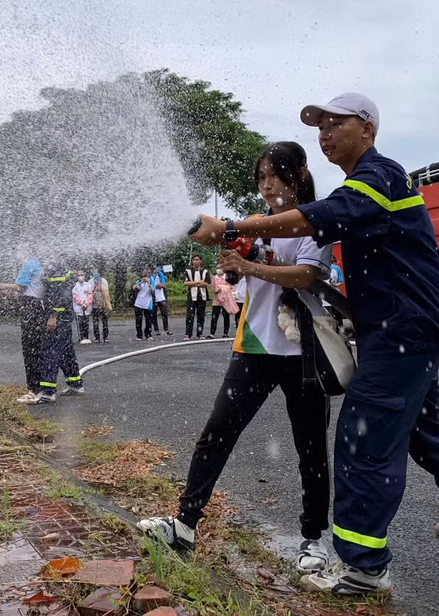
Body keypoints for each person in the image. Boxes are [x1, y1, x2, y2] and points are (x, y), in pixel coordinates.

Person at [189, 93, 439, 595]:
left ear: (367, 128)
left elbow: (311, 224)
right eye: (318, 126)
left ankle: (363, 568)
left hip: (401, 331)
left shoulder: (376, 178)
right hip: (402, 330)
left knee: (363, 436)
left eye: (334, 123)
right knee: (426, 429)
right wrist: (244, 243)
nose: (323, 133)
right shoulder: (367, 184)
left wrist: (231, 226)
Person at [139, 141, 333, 576]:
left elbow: (305, 276)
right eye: (260, 178)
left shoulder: (315, 221)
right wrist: (231, 256)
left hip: (304, 352)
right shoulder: (257, 225)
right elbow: (245, 266)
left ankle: (314, 540)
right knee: (217, 432)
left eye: (273, 176)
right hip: (255, 345)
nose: (266, 186)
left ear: (298, 175)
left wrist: (250, 265)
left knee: (311, 448)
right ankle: (185, 524)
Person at [17, 263, 85, 404]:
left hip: (58, 316)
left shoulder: (54, 268)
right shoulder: (58, 265)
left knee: (50, 351)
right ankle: (75, 384)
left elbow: (60, 294)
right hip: (64, 316)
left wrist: (53, 315)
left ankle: (48, 392)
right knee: (66, 351)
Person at [0, 254, 46, 400]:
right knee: (39, 347)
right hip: (39, 307)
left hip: (30, 307)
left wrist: (0, 285)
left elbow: (20, 287)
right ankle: (45, 385)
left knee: (30, 349)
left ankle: (34, 389)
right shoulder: (41, 264)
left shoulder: (30, 264)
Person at [183, 255, 210, 340]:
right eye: (194, 260)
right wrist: (199, 282)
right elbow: (186, 283)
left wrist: (193, 283)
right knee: (189, 316)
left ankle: (200, 333)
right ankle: (188, 333)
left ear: (200, 261)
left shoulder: (205, 271)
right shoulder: (188, 271)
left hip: (202, 296)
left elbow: (206, 283)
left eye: (197, 259)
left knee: (201, 316)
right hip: (191, 296)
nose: (195, 261)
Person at [207, 269, 233, 339]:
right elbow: (213, 288)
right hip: (216, 300)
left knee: (226, 317)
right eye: (217, 268)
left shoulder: (227, 277)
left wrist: (221, 288)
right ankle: (212, 333)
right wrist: (216, 290)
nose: (218, 270)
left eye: (220, 268)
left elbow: (230, 287)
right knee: (214, 317)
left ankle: (225, 333)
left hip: (225, 300)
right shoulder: (214, 278)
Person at [89, 270, 112, 343]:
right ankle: (97, 337)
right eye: (94, 272)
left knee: (105, 321)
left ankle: (105, 337)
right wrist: (94, 288)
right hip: (94, 305)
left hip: (103, 305)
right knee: (95, 322)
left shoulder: (104, 281)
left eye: (96, 272)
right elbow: (89, 293)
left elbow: (107, 293)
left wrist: (101, 288)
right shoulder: (90, 282)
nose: (95, 274)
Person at [133, 270, 154, 341]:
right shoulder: (139, 281)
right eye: (144, 274)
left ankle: (148, 334)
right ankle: (139, 335)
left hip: (148, 303)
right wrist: (142, 282)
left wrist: (148, 283)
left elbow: (152, 290)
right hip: (139, 302)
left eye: (147, 274)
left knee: (148, 320)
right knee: (138, 320)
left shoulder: (151, 281)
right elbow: (135, 288)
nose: (145, 276)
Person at [72, 271, 93, 344]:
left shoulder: (88, 285)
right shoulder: (75, 286)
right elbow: (75, 296)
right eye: (79, 275)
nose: (81, 277)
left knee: (86, 323)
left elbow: (90, 295)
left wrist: (86, 303)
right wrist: (81, 303)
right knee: (80, 323)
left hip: (86, 307)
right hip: (79, 307)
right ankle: (81, 338)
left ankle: (86, 337)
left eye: (82, 275)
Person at [150, 265, 172, 336]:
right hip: (152, 297)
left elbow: (163, 285)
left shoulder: (160, 274)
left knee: (164, 313)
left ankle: (166, 329)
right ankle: (156, 330)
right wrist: (156, 285)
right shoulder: (149, 276)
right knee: (153, 314)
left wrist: (159, 285)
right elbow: (149, 285)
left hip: (161, 297)